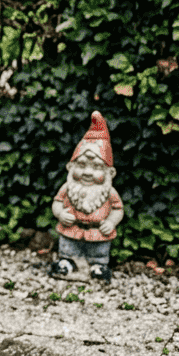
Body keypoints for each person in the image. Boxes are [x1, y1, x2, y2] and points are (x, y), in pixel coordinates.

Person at [49, 111, 123, 284]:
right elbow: (57, 202)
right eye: (81, 165)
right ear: (70, 167)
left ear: (109, 173)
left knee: (98, 251)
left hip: (98, 232)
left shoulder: (109, 192)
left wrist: (111, 222)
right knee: (68, 247)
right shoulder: (68, 188)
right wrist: (60, 214)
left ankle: (97, 265)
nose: (88, 172)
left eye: (97, 167)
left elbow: (118, 208)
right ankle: (67, 261)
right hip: (71, 230)